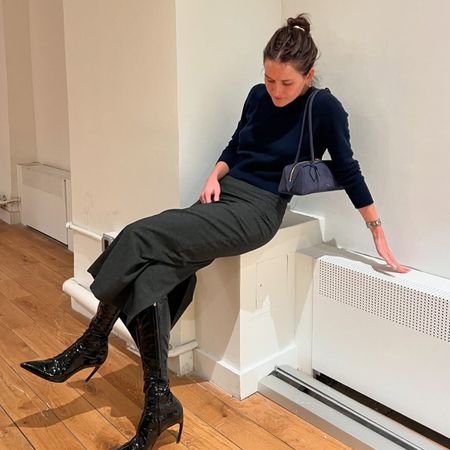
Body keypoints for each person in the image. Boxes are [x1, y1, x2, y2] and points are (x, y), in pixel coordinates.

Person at [19, 13, 409, 450]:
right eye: (269, 79)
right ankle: (159, 402)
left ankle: (91, 343)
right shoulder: (257, 96)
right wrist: (214, 173)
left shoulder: (325, 108)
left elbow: (349, 170)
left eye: (287, 84)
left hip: (259, 211)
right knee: (150, 276)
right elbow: (235, 144)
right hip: (223, 196)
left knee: (137, 234)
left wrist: (377, 232)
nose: (276, 92)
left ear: (309, 76)